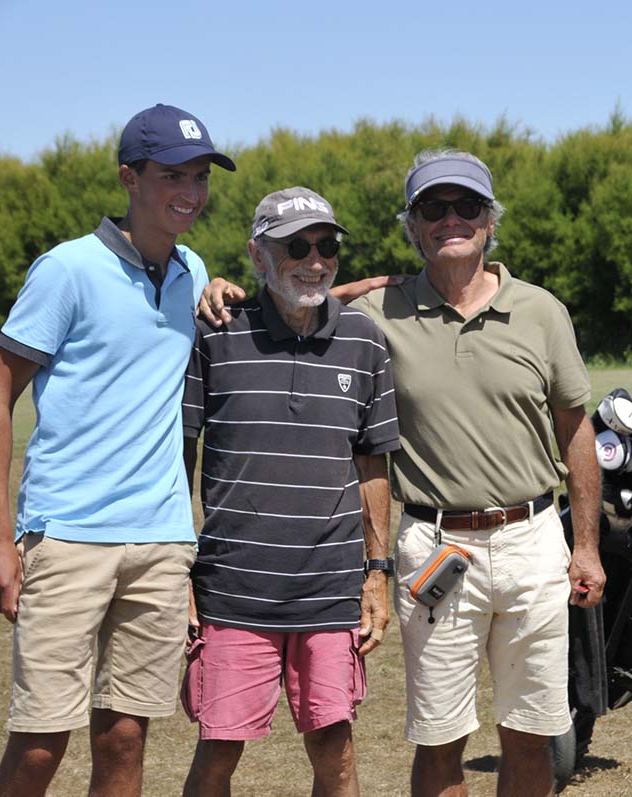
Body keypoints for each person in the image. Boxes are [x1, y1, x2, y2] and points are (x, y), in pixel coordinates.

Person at [200, 149, 606, 796]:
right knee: (439, 738)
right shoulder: (377, 313)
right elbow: (300, 298)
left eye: (467, 205)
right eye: (433, 208)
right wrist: (226, 288)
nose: (452, 219)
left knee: (532, 735)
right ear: (412, 226)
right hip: (435, 547)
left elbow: (576, 431)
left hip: (533, 539)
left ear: (491, 219)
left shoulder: (541, 310)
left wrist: (586, 544)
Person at [0, 104, 235, 797]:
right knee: (40, 742)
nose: (190, 191)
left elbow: (282, 303)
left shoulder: (192, 269)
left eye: (200, 176)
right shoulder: (68, 268)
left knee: (125, 738)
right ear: (129, 177)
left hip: (161, 542)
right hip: (67, 536)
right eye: (172, 174)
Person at [180, 187, 399, 797]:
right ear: (258, 254)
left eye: (326, 246)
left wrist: (377, 573)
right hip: (231, 590)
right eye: (295, 247)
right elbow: (179, 459)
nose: (315, 260)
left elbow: (372, 464)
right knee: (218, 750)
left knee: (335, 750)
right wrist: (179, 573)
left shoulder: (365, 339)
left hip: (330, 590)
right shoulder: (216, 333)